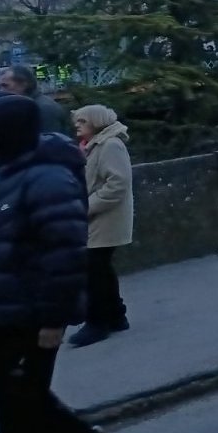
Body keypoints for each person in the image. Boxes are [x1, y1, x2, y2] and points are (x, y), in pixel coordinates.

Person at [0, 95, 137, 433]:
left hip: (32, 316)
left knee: (22, 403)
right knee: (12, 401)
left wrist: (54, 319)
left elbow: (68, 254)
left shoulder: (47, 178)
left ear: (10, 130)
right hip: (0, 311)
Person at [66, 105, 133, 348]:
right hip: (99, 218)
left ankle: (97, 322)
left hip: (105, 219)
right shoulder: (94, 144)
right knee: (100, 269)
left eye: (82, 120)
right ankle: (116, 315)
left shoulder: (110, 145)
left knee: (93, 270)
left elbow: (117, 185)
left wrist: (85, 207)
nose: (77, 124)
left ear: (96, 122)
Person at [0, 66, 68, 136]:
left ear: (23, 84)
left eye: (5, 86)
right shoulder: (27, 107)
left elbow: (49, 144)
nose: (1, 91)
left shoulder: (44, 108)